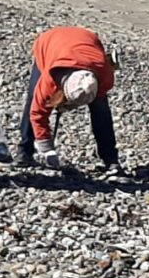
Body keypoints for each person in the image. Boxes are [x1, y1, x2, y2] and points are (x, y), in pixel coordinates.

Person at [15, 26, 120, 171]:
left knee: (101, 111)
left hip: (87, 40)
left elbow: (100, 110)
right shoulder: (49, 80)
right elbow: (37, 114)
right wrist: (47, 149)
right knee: (34, 99)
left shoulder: (104, 76)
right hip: (49, 42)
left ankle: (110, 159)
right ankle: (24, 152)